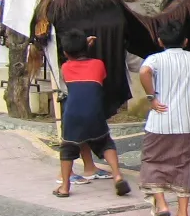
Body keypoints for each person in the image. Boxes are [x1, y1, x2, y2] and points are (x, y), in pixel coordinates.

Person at [138, 17, 190, 216]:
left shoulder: (155, 59)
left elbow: (144, 72)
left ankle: (162, 204)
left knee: (153, 161)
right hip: (185, 124)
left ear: (160, 41)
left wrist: (152, 97)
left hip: (159, 122)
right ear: (185, 41)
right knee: (184, 165)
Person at [53, 29, 131, 199]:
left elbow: (71, 67)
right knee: (106, 143)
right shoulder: (98, 64)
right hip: (95, 113)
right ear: (86, 47)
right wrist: (85, 46)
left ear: (65, 53)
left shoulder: (65, 68)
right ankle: (117, 176)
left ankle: (65, 187)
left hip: (72, 115)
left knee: (67, 149)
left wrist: (81, 46)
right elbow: (99, 76)